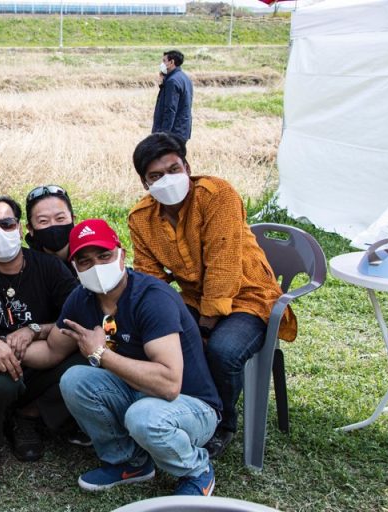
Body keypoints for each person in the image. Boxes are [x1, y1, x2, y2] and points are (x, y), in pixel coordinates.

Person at [127, 132, 297, 459]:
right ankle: (177, 408)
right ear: (145, 184)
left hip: (250, 296)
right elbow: (150, 279)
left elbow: (223, 267)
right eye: (156, 176)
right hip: (194, 298)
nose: (168, 179)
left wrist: (202, 330)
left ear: (187, 166)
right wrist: (154, 317)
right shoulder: (141, 218)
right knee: (156, 340)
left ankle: (222, 422)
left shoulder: (217, 195)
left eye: (174, 169)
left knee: (222, 351)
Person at [24, 219, 222, 496]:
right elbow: (50, 351)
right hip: (138, 395)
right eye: (85, 261)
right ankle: (129, 463)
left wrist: (100, 353)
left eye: (104, 256)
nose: (96, 267)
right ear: (75, 268)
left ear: (121, 254)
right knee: (74, 379)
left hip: (190, 406)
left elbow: (169, 384)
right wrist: (0, 347)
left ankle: (196, 469)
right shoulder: (81, 299)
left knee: (143, 417)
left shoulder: (152, 298)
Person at [0, 195, 79, 471]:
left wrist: (35, 329)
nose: (0, 232)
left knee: (88, 362)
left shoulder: (48, 267)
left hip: (41, 357)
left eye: (7, 224)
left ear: (20, 228)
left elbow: (76, 316)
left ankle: (28, 416)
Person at [24, 184, 75, 267]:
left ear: (73, 219)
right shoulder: (26, 265)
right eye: (43, 221)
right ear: (30, 228)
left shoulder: (92, 256)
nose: (53, 225)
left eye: (60, 218)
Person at [152, 50, 193, 141]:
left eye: (164, 61)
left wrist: (164, 134)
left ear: (171, 62)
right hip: (182, 130)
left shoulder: (172, 81)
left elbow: (170, 109)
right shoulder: (184, 78)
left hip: (173, 133)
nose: (162, 64)